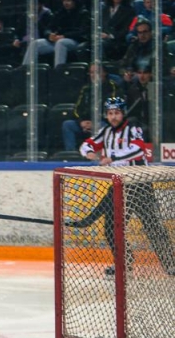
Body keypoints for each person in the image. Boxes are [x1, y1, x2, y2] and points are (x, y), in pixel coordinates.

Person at [74, 96, 175, 276]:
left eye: (117, 113)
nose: (113, 117)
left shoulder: (133, 128)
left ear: (123, 113)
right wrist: (89, 153)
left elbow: (138, 149)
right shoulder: (106, 132)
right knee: (111, 227)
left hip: (139, 184)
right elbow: (86, 145)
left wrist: (112, 156)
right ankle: (124, 263)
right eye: (110, 113)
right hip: (119, 185)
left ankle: (170, 264)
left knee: (152, 225)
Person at [22, 0, 89, 68]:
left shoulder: (83, 13)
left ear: (75, 1)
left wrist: (64, 36)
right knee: (35, 43)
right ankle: (24, 71)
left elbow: (82, 32)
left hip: (75, 41)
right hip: (57, 39)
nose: (65, 3)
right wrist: (49, 35)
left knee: (61, 42)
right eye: (64, 0)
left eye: (68, 0)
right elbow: (48, 28)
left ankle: (57, 71)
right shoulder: (60, 13)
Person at [61, 63, 120, 151]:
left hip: (103, 122)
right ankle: (71, 155)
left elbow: (113, 110)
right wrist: (81, 122)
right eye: (91, 73)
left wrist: (94, 123)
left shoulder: (112, 87)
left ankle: (100, 153)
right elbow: (77, 109)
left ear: (104, 73)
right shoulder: (86, 88)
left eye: (96, 72)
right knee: (67, 125)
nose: (93, 75)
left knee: (104, 126)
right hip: (85, 123)